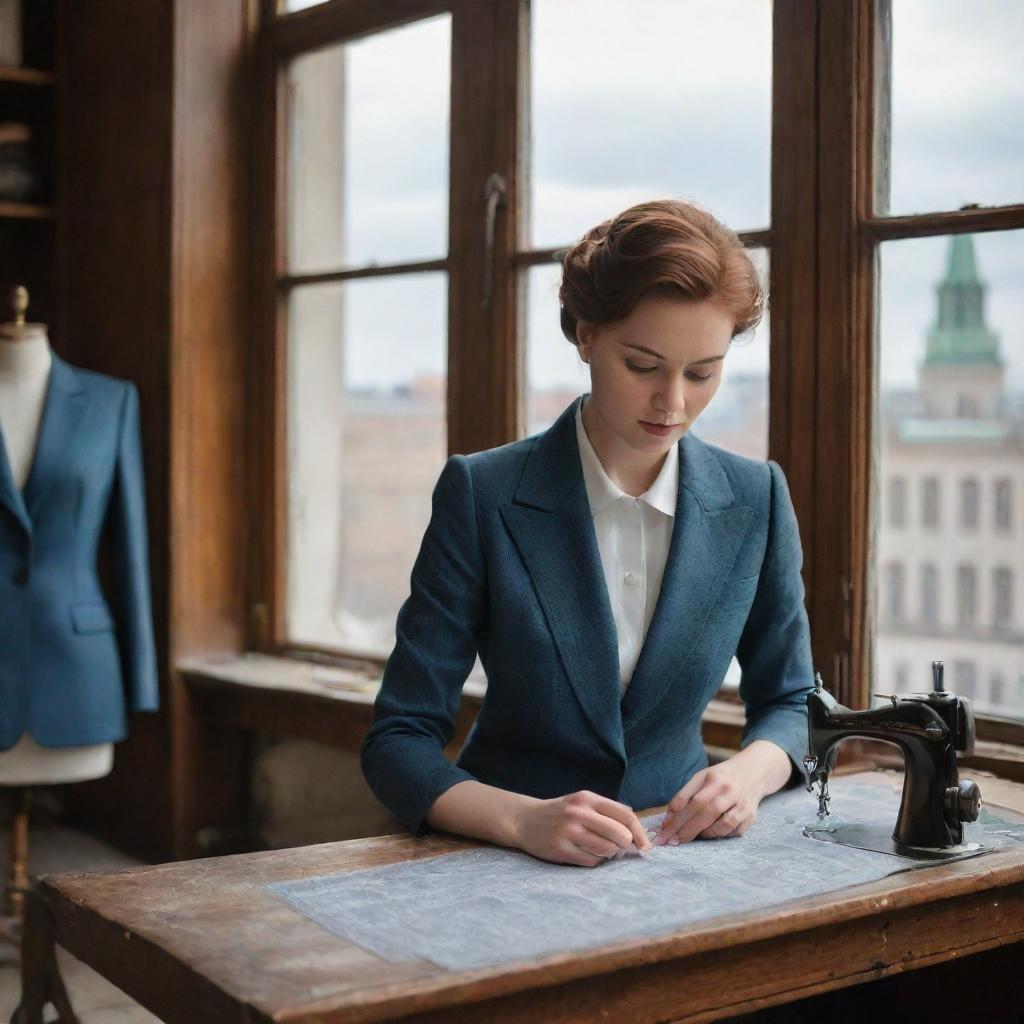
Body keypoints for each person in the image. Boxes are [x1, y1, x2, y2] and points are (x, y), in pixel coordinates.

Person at [361, 198, 815, 868]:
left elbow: (793, 702)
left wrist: (749, 773)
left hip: (683, 860)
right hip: (497, 861)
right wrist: (520, 820)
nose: (673, 402)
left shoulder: (756, 499)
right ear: (587, 337)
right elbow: (397, 740)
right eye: (642, 365)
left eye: (703, 372)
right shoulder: (482, 494)